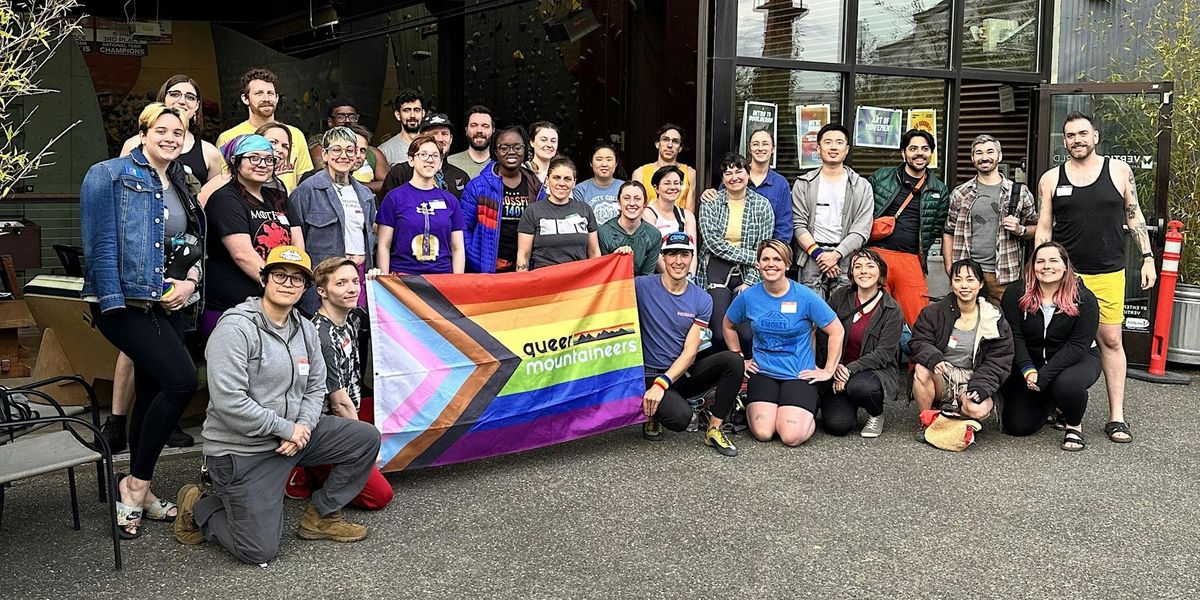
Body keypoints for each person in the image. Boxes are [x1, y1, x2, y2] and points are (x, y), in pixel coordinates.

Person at [173, 246, 381, 563]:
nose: (288, 284)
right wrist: (284, 429)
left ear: (306, 288)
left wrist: (303, 428)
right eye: (280, 275)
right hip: (243, 449)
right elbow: (230, 401)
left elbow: (315, 388)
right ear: (264, 279)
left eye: (297, 279)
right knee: (257, 551)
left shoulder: (306, 330)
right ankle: (199, 505)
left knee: (364, 438)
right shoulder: (236, 328)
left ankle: (321, 515)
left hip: (294, 437)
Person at [81, 103, 205, 538]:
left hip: (168, 301)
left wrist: (190, 283)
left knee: (154, 389)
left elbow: (191, 241)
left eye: (180, 131)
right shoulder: (108, 174)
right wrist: (114, 302)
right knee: (181, 381)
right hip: (125, 302)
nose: (171, 137)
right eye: (163, 130)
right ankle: (134, 487)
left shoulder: (181, 183)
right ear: (144, 132)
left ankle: (141, 485)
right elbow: (99, 243)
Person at [1034, 111, 1155, 444]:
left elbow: (1135, 216)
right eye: (1071, 135)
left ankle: (1117, 416)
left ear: (1096, 136)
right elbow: (1044, 228)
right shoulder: (1050, 179)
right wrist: (1040, 267)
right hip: (1064, 277)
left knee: (1110, 341)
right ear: (1065, 141)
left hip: (1107, 273)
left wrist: (1147, 257)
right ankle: (1063, 408)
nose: (1077, 140)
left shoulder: (1118, 171)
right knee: (1056, 340)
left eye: (1083, 133)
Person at [283, 257, 395, 508]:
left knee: (397, 407)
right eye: (341, 283)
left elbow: (388, 318)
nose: (352, 288)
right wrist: (367, 444)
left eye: (355, 281)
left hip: (351, 407)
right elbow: (339, 404)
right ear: (322, 291)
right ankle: (304, 469)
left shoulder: (353, 317)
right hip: (326, 423)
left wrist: (380, 284)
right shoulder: (321, 336)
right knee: (380, 496)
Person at [723, 240, 844, 446]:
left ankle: (805, 410)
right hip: (763, 372)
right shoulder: (749, 296)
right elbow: (728, 325)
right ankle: (774, 409)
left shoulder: (805, 296)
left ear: (787, 264)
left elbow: (836, 330)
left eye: (777, 259)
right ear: (758, 264)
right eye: (765, 259)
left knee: (790, 436)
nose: (771, 264)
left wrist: (828, 370)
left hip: (798, 374)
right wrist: (739, 358)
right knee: (763, 433)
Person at [636, 231, 745, 456]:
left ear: (692, 258)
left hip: (678, 374)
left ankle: (714, 429)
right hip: (648, 374)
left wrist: (663, 384)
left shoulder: (702, 299)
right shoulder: (641, 286)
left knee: (733, 361)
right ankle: (652, 413)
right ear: (663, 257)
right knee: (680, 419)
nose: (678, 261)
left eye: (684, 255)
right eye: (672, 254)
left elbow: (690, 352)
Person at [1000, 242, 1101, 450]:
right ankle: (1050, 401)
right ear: (1032, 266)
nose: (1047, 266)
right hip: (1032, 363)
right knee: (1017, 426)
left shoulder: (1084, 299)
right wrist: (1028, 370)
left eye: (1053, 260)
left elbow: (1077, 345)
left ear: (1065, 266)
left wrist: (1044, 376)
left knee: (1067, 384)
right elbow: (1014, 336)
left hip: (1077, 359)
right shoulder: (1015, 293)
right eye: (1040, 261)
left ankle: (1073, 425)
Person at [200, 134, 293, 337]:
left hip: (273, 301)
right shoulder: (225, 199)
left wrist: (292, 281)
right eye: (253, 158)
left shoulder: (277, 198)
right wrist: (282, 284)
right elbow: (242, 255)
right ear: (236, 162)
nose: (262, 164)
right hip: (231, 307)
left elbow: (297, 245)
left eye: (269, 159)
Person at [910, 259, 1014, 427]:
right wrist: (934, 358)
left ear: (980, 284)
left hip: (973, 376)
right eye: (958, 280)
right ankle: (927, 422)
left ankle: (955, 417)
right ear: (951, 283)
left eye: (970, 280)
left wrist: (982, 386)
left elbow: (999, 360)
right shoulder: (933, 312)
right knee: (921, 370)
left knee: (978, 410)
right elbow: (920, 341)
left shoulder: (993, 317)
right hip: (942, 374)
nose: (964, 285)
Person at [288, 127, 377, 315]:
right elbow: (296, 242)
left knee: (354, 335)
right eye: (336, 150)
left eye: (349, 150)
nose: (343, 156)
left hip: (358, 278)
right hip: (323, 282)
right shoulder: (307, 191)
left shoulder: (365, 194)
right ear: (325, 154)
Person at [817, 248, 904, 438]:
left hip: (871, 371)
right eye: (858, 266)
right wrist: (835, 365)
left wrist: (849, 370)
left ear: (880, 272)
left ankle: (876, 413)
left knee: (861, 388)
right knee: (837, 426)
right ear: (851, 273)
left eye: (870, 266)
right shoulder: (840, 296)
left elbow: (884, 353)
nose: (863, 271)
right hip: (837, 367)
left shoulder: (891, 309)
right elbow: (823, 333)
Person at [867, 129, 950, 326]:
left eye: (925, 149)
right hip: (876, 256)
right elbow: (862, 213)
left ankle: (919, 358)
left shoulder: (940, 189)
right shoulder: (881, 178)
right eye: (913, 148)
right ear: (903, 153)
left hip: (912, 259)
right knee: (872, 319)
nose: (919, 153)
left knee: (918, 321)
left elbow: (936, 227)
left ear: (931, 153)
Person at [943, 134, 1038, 304]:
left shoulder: (1018, 192)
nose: (984, 157)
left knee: (1004, 326)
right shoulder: (960, 193)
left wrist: (1020, 230)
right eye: (978, 153)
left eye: (990, 152)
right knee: (965, 324)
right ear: (973, 158)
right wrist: (950, 267)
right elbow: (948, 231)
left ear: (999, 156)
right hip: (968, 274)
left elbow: (1036, 227)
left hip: (1004, 275)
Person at [697, 153, 774, 354]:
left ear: (748, 174)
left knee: (747, 333)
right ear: (722, 178)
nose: (734, 177)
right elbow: (713, 243)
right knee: (719, 332)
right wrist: (751, 257)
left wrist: (749, 281)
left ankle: (746, 374)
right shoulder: (710, 202)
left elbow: (762, 248)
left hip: (751, 272)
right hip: (716, 268)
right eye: (727, 173)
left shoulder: (762, 205)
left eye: (739, 171)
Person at [792, 123, 874, 299]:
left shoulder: (861, 186)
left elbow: (862, 229)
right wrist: (820, 255)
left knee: (844, 313)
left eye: (839, 142)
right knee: (811, 313)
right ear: (818, 148)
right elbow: (798, 225)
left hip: (847, 256)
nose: (834, 147)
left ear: (847, 149)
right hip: (812, 255)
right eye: (828, 142)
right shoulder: (804, 184)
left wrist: (836, 255)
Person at [376, 134, 466, 275]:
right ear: (411, 160)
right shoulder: (394, 198)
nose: (430, 160)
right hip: (403, 278)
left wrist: (457, 282)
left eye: (435, 156)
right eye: (423, 154)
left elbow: (458, 248)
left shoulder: (450, 201)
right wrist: (384, 282)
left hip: (441, 278)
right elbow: (384, 245)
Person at [460, 126, 545, 273]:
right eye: (504, 147)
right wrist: (475, 258)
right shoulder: (478, 187)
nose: (511, 152)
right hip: (487, 270)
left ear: (525, 150)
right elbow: (463, 228)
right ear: (495, 152)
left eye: (517, 147)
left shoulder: (536, 188)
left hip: (525, 269)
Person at [215, 68, 314, 191]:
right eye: (259, 93)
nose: (266, 98)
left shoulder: (295, 134)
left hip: (289, 207)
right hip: (248, 207)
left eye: (270, 93)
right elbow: (224, 183)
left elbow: (304, 181)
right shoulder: (229, 138)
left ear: (277, 98)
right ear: (245, 99)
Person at [119, 75, 222, 184]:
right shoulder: (134, 144)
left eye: (190, 97)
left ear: (197, 106)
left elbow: (216, 197)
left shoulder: (210, 153)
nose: (182, 101)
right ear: (163, 99)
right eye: (175, 94)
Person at [699, 128, 793, 242]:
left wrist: (774, 254)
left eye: (765, 144)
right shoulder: (735, 178)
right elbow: (719, 205)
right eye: (755, 144)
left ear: (773, 148)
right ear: (749, 148)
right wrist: (708, 195)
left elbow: (784, 227)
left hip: (765, 251)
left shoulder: (781, 184)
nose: (760, 148)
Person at [516, 156, 600, 270]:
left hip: (579, 283)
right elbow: (523, 255)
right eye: (556, 178)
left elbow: (594, 252)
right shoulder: (532, 211)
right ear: (547, 180)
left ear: (574, 182)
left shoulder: (585, 210)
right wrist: (523, 283)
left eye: (567, 179)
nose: (561, 183)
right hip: (545, 282)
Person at [379, 113, 470, 200]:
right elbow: (385, 211)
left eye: (444, 134)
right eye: (433, 133)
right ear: (420, 138)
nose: (440, 139)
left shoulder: (460, 176)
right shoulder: (399, 173)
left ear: (451, 139)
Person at [307, 100, 389, 193]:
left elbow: (388, 183)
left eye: (352, 117)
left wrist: (355, 185)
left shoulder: (372, 152)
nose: (347, 120)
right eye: (340, 117)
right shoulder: (320, 147)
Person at [631, 123, 697, 213]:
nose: (670, 145)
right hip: (649, 224)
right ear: (657, 144)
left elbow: (689, 212)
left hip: (679, 224)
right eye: (665, 140)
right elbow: (635, 208)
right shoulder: (640, 173)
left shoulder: (690, 173)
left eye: (675, 141)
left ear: (680, 148)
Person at [598, 181, 661, 276]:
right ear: (619, 202)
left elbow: (647, 275)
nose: (632, 203)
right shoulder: (603, 232)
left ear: (645, 203)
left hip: (641, 287)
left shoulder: (654, 234)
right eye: (626, 198)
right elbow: (602, 273)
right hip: (612, 287)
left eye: (637, 199)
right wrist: (615, 258)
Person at [573, 142, 624, 225]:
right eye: (599, 159)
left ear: (616, 163)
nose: (604, 164)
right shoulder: (580, 190)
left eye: (609, 160)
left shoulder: (624, 187)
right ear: (591, 163)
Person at [378, 88, 425, 166]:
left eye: (417, 110)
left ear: (423, 113)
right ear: (398, 115)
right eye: (407, 110)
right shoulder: (385, 150)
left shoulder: (433, 145)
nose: (412, 115)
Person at [446, 104, 494, 179]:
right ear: (466, 130)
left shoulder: (500, 164)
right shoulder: (451, 162)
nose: (479, 131)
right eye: (473, 125)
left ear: (493, 130)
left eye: (485, 126)